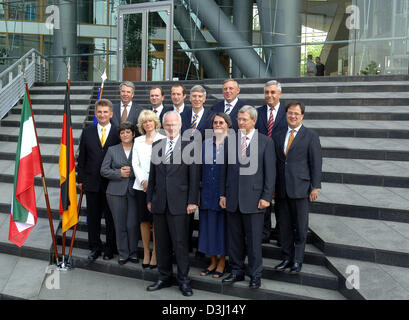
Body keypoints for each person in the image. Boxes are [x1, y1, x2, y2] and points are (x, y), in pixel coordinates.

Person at [220, 105, 276, 289]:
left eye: (244, 119)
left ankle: (255, 275)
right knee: (234, 240)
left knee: (253, 242)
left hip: (254, 200)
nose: (241, 122)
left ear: (253, 120)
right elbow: (224, 171)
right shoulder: (231, 140)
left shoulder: (265, 142)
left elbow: (270, 173)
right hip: (233, 199)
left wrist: (266, 196)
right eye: (239, 119)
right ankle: (236, 271)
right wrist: (223, 194)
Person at [146, 111, 200, 297]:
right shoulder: (157, 145)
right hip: (159, 202)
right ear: (163, 126)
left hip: (181, 204)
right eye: (167, 125)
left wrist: (193, 200)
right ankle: (163, 277)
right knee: (161, 243)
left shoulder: (190, 147)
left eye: (173, 125)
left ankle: (184, 281)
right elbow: (152, 176)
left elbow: (194, 177)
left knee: (180, 244)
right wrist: (149, 199)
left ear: (180, 126)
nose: (170, 128)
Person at [273, 101, 322, 274]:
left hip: (301, 188)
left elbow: (316, 163)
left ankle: (297, 261)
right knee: (284, 227)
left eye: (296, 113)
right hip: (281, 189)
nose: (292, 116)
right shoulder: (278, 135)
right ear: (286, 115)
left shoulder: (310, 135)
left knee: (301, 227)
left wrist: (315, 187)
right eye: (290, 113)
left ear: (302, 115)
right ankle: (286, 258)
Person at [77, 99, 120, 261]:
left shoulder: (118, 132)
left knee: (110, 217)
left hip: (111, 183)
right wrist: (80, 179)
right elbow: (82, 158)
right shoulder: (87, 131)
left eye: (105, 112)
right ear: (96, 114)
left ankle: (110, 247)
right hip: (91, 182)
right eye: (99, 112)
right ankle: (94, 246)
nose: (102, 115)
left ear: (111, 114)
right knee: (93, 217)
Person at [100, 121, 139, 265]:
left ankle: (134, 252)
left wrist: (132, 173)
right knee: (119, 224)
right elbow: (103, 170)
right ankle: (123, 253)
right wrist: (118, 173)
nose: (125, 134)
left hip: (134, 191)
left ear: (133, 134)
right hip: (115, 192)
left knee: (132, 224)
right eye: (122, 132)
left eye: (128, 132)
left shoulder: (139, 148)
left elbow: (146, 167)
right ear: (119, 135)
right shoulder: (112, 150)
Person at [198, 112, 231, 279]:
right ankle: (212, 261)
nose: (218, 125)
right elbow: (198, 170)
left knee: (222, 230)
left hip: (223, 195)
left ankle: (222, 262)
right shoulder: (205, 144)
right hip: (206, 193)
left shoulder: (233, 145)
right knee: (208, 228)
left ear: (228, 125)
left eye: (221, 122)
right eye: (215, 122)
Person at [132, 110, 166, 269]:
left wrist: (152, 183)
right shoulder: (137, 141)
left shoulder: (164, 139)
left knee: (157, 222)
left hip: (159, 187)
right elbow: (135, 163)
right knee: (144, 221)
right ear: (141, 125)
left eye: (150, 121)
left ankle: (155, 253)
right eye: (144, 122)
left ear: (155, 122)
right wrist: (144, 181)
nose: (147, 124)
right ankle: (146, 252)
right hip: (141, 186)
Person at [255, 80, 287, 245]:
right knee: (263, 197)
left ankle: (281, 234)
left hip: (281, 163)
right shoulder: (257, 112)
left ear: (279, 94)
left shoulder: (287, 113)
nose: (269, 95)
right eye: (267, 92)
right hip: (260, 164)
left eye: (273, 92)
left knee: (281, 200)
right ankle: (264, 233)